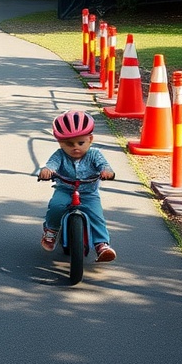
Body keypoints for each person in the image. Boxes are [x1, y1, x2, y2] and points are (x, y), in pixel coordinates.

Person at [38, 108, 116, 261]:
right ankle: (51, 231)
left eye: (81, 142)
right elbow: (52, 164)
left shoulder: (94, 154)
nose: (75, 147)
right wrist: (47, 171)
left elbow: (103, 165)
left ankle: (101, 244)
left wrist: (107, 171)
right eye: (69, 143)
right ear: (60, 143)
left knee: (96, 215)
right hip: (65, 190)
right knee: (56, 206)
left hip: (89, 193)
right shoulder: (59, 155)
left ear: (90, 139)